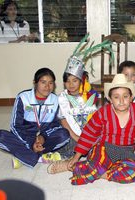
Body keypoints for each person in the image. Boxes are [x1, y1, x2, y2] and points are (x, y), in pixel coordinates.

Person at [47, 33, 114, 174]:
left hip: (90, 137)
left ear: (82, 81)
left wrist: (91, 138)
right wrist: (78, 138)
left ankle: (72, 162)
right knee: (63, 139)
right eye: (67, 81)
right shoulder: (62, 98)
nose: (71, 84)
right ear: (64, 82)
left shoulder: (91, 96)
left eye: (75, 80)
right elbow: (63, 121)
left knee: (108, 145)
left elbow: (99, 119)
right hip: (73, 137)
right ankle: (75, 160)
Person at [65, 74, 135, 185]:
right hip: (105, 147)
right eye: (116, 97)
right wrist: (76, 157)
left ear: (131, 97)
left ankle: (99, 172)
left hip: (127, 151)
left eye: (125, 96)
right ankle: (78, 165)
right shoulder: (103, 112)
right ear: (110, 99)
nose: (121, 101)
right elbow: (89, 134)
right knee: (96, 166)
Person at [0, 68, 70, 169]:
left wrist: (43, 137)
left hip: (44, 139)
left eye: (51, 83)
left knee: (64, 134)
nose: (47, 87)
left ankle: (22, 156)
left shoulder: (55, 100)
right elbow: (15, 126)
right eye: (43, 82)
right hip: (24, 137)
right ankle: (38, 157)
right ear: (35, 82)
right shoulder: (23, 97)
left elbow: (56, 125)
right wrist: (30, 143)